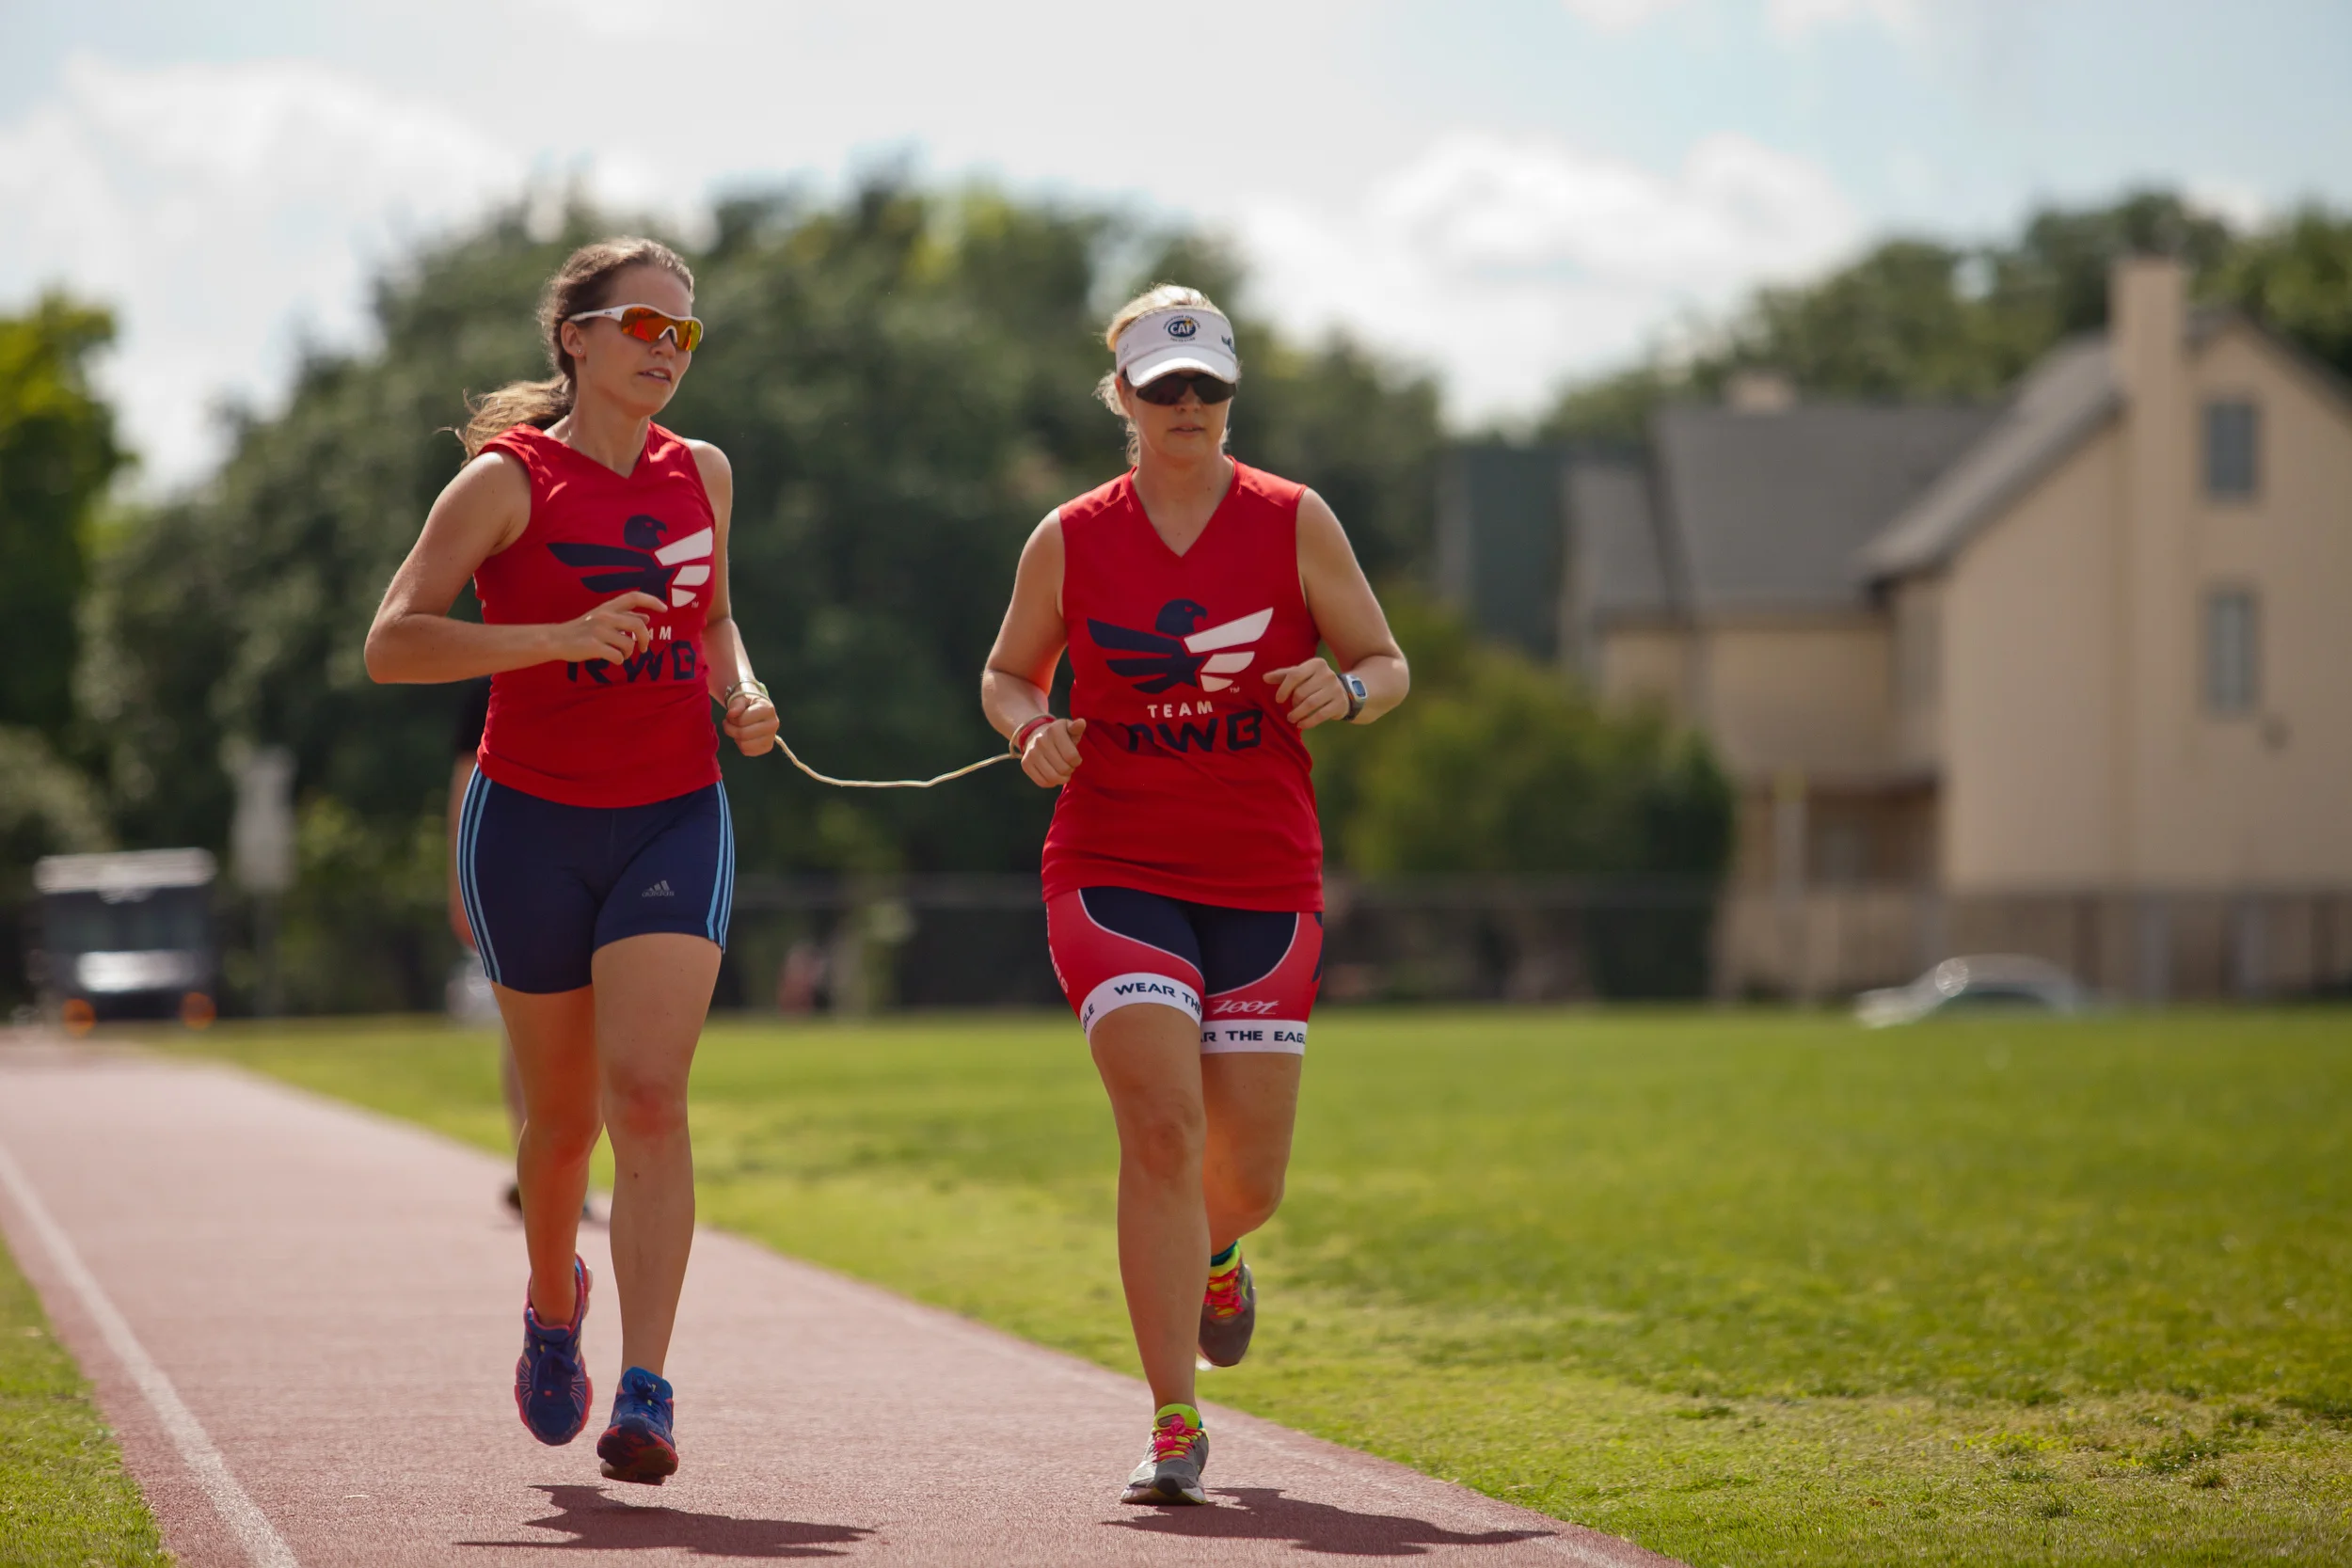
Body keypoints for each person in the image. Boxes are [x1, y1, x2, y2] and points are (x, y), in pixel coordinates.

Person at [980, 286, 1408, 1505]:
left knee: (1248, 1175)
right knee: (1161, 1128)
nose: (1186, 406)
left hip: (1263, 873)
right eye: (1162, 386)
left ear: (1230, 393)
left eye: (1206, 386)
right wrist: (1029, 731)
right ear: (1121, 396)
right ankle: (1176, 1415)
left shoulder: (1292, 520)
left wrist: (1351, 690)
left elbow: (1386, 657)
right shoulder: (1070, 536)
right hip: (1112, 867)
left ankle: (1220, 1249)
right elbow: (1009, 673)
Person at [365, 237, 776, 1486]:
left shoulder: (701, 473)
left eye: (685, 332)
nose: (666, 347)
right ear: (577, 337)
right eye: (643, 323)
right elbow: (394, 642)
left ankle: (646, 1386)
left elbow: (711, 616)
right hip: (528, 821)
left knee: (647, 1096)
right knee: (557, 1127)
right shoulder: (505, 481)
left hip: (672, 809)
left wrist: (744, 690)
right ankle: (555, 1303)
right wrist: (552, 639)